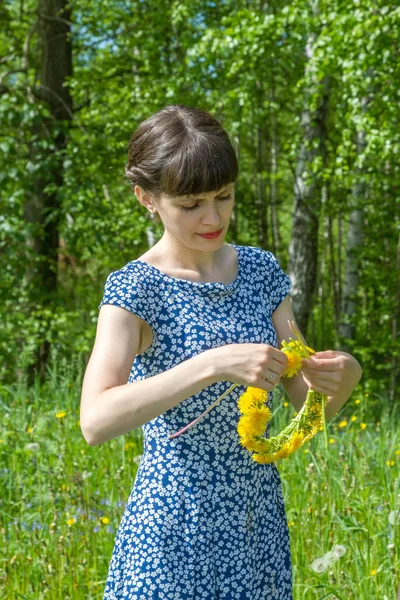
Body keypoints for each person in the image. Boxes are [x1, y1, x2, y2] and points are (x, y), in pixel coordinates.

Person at [80, 104, 362, 599]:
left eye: (224, 197)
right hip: (173, 529)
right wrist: (211, 365)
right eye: (190, 204)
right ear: (146, 197)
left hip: (256, 526)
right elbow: (95, 420)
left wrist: (340, 380)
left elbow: (304, 403)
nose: (213, 218)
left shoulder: (260, 271)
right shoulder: (135, 289)